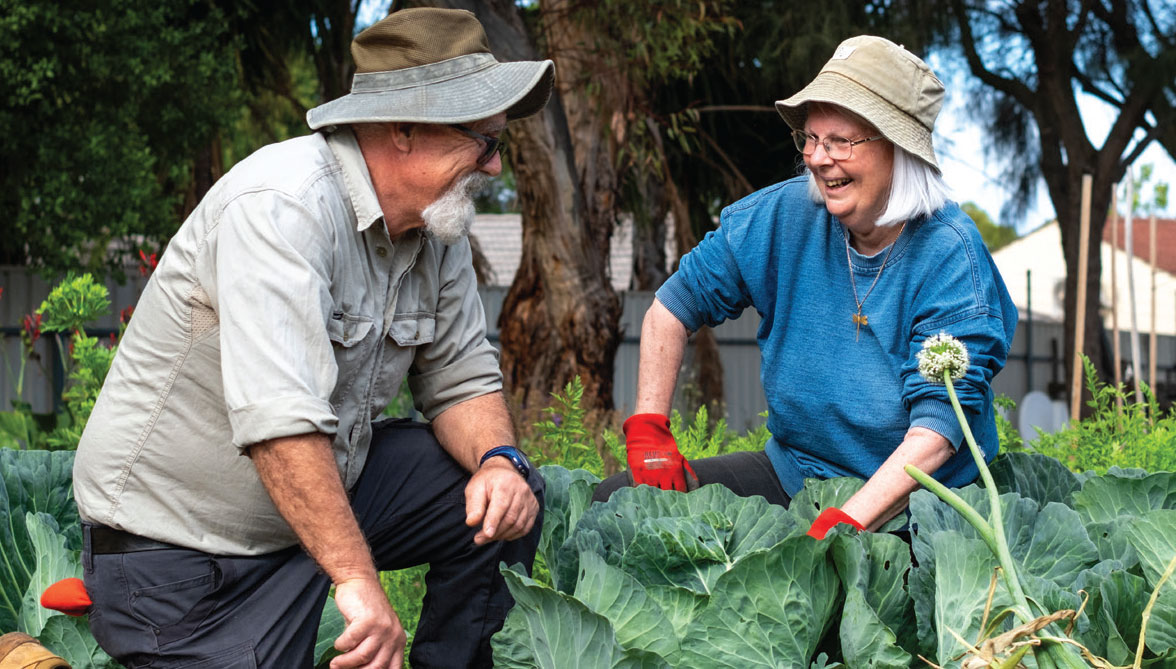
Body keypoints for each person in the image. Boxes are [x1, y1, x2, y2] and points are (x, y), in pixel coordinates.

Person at [70, 9, 551, 668]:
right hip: (180, 557)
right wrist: (357, 580)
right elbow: (280, 425)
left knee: (504, 495)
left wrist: (499, 458)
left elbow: (463, 380)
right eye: (483, 142)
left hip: (306, 511)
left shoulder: (436, 229)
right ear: (403, 129)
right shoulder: (282, 207)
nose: (494, 167)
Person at [594, 35, 1017, 539]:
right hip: (794, 476)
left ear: (898, 147)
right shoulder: (783, 216)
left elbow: (938, 430)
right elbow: (673, 306)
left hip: (920, 506)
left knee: (840, 600)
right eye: (811, 139)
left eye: (841, 141)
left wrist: (844, 524)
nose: (817, 158)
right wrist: (649, 428)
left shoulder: (950, 254)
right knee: (616, 508)